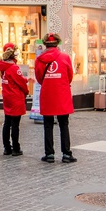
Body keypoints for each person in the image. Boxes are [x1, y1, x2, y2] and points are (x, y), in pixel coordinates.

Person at [33, 32, 76, 163]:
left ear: (45, 44)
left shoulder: (39, 59)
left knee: (48, 124)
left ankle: (49, 153)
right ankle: (66, 153)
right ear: (57, 43)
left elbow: (39, 78)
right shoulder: (65, 57)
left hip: (47, 94)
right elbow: (70, 76)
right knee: (64, 124)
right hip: (62, 93)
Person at [0, 43, 29, 156]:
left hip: (7, 98)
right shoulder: (14, 68)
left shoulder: (3, 67)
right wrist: (27, 90)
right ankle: (16, 148)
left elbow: (13, 79)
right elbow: (20, 83)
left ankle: (7, 147)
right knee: (15, 125)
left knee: (7, 123)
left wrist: (25, 79)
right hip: (16, 98)